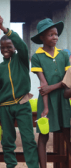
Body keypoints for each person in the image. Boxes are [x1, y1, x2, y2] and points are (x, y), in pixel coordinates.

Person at [0, 16, 39, 168]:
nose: (5, 50)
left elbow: (22, 45)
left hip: (22, 104)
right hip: (5, 107)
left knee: (28, 138)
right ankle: (11, 165)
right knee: (7, 140)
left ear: (14, 48)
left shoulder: (21, 60)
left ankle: (33, 165)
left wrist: (4, 29)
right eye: (2, 47)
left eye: (9, 46)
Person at [30, 18, 71, 168]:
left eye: (56, 34)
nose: (55, 37)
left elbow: (67, 82)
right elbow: (43, 84)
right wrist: (45, 108)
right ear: (42, 37)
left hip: (64, 100)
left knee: (68, 133)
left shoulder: (64, 55)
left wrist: (54, 87)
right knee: (43, 136)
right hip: (46, 100)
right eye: (50, 35)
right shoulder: (37, 57)